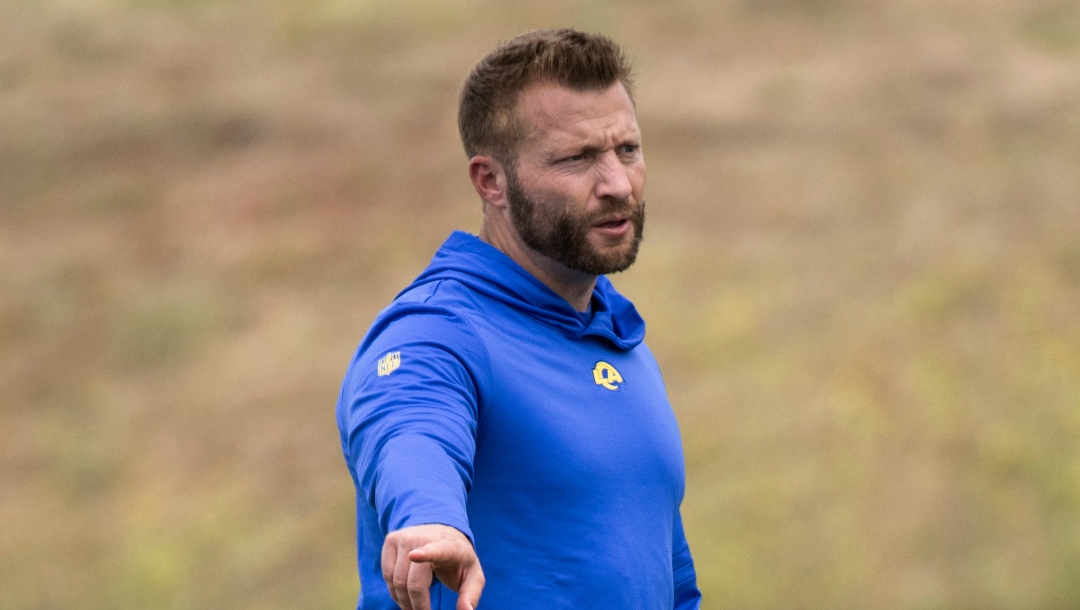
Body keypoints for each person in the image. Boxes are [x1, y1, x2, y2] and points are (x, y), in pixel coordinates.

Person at [336, 29, 701, 610]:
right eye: (577, 158)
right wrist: (430, 520)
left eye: (626, 150)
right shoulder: (436, 331)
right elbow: (408, 426)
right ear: (491, 181)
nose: (616, 184)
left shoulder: (616, 338)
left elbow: (667, 580)